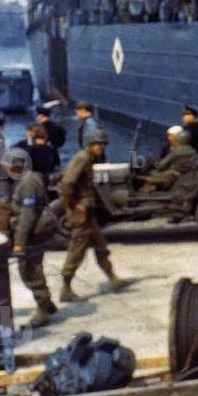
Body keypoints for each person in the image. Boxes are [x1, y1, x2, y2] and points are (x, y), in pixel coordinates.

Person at [58, 128, 127, 301]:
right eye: (98, 145)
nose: (101, 148)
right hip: (80, 216)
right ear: (90, 144)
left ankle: (113, 278)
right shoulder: (82, 158)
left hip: (87, 214)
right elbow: (67, 184)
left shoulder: (88, 158)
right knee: (77, 250)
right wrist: (74, 205)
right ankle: (66, 288)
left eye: (102, 145)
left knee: (101, 246)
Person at [5, 148, 58, 328]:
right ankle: (48, 304)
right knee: (34, 267)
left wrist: (19, 243)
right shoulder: (29, 178)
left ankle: (43, 309)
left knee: (28, 269)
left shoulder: (27, 183)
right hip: (33, 232)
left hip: (32, 234)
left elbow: (28, 215)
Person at [139, 126, 197, 191]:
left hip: (171, 175)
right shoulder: (193, 151)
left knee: (149, 173)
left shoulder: (176, 152)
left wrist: (154, 163)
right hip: (183, 175)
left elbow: (161, 165)